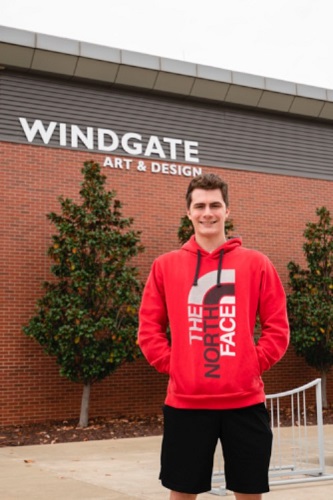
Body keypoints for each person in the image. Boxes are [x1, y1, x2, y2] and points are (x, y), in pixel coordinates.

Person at [138, 173, 290, 500]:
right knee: (182, 492)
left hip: (245, 402)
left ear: (227, 210)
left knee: (249, 493)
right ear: (189, 212)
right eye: (200, 205)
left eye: (215, 205)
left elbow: (277, 327)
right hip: (186, 403)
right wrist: (176, 365)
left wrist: (250, 364)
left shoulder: (256, 263)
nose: (208, 212)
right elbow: (149, 328)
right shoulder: (165, 266)